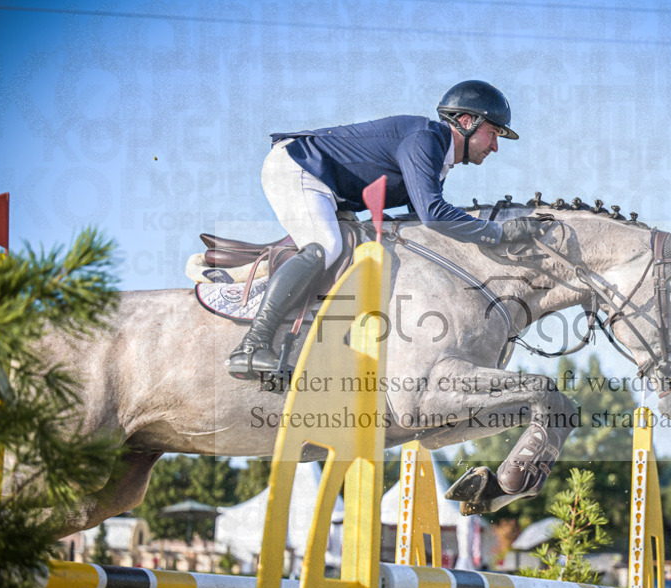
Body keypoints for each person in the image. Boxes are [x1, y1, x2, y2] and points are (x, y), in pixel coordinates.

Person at [228, 80, 545, 379]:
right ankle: (252, 346)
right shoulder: (425, 141)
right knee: (325, 247)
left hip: (329, 188)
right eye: (492, 133)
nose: (495, 146)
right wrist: (497, 233)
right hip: (299, 167)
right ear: (466, 121)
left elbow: (420, 225)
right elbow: (433, 215)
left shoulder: (437, 156)